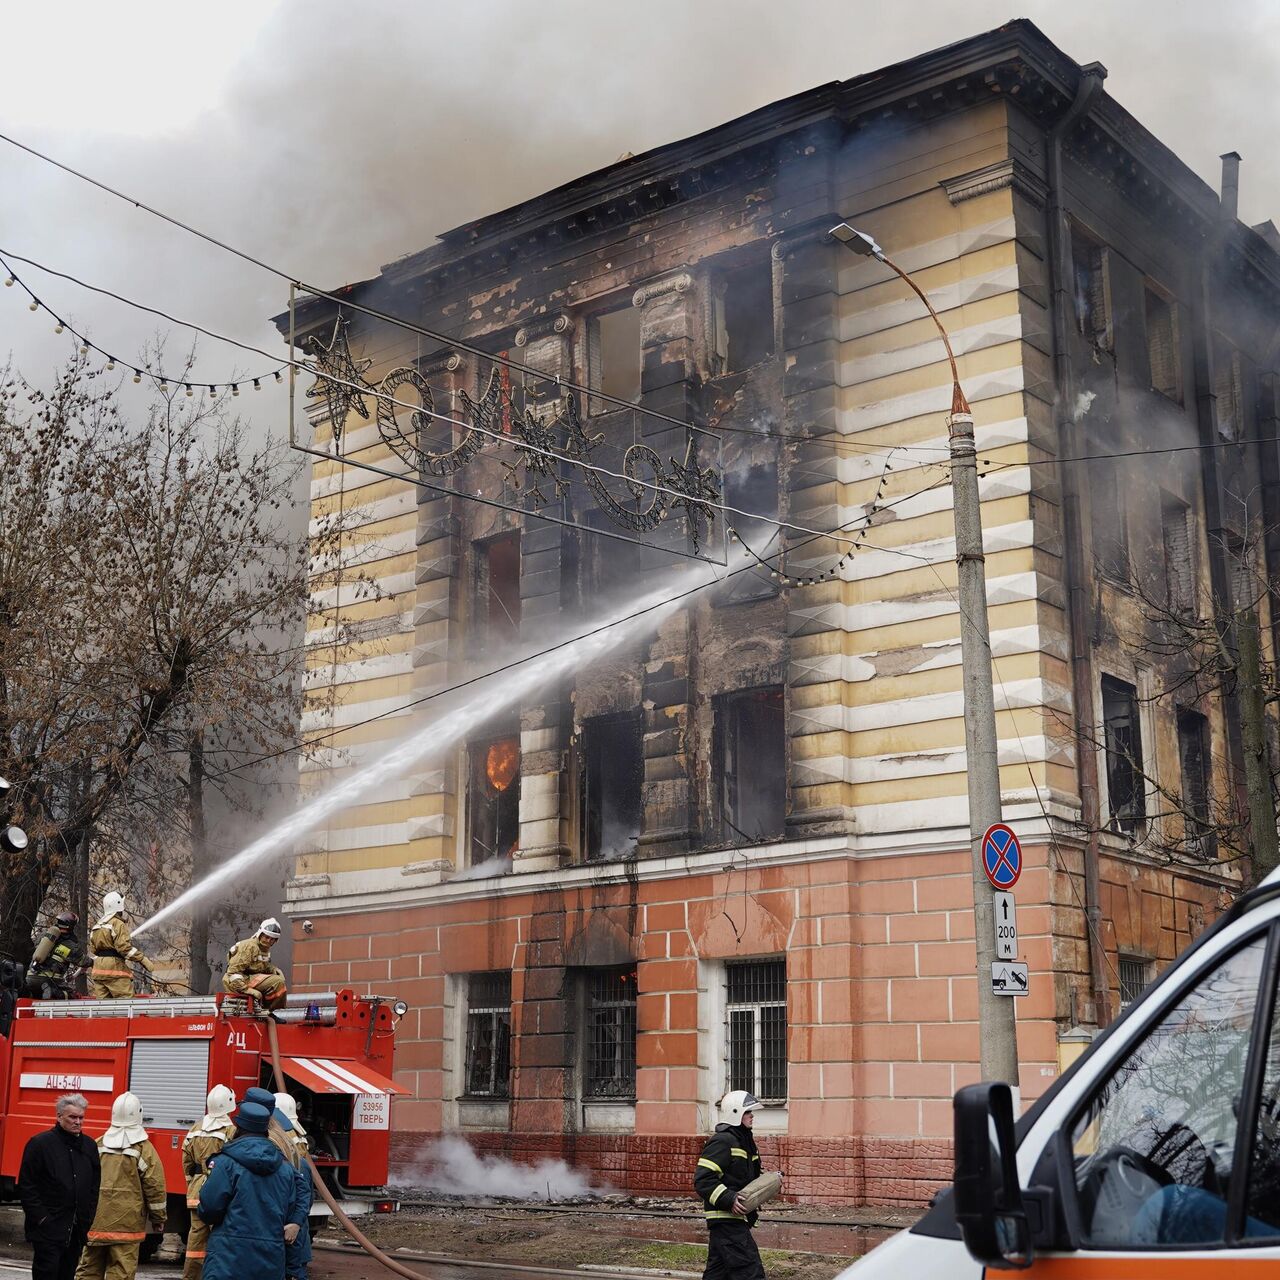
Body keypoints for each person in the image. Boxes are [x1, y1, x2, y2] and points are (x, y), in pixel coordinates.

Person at [197, 1101, 300, 1280]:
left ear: (238, 1128)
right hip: (270, 1258)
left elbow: (210, 1208)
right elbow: (291, 1209)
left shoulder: (225, 1163)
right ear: (266, 1130)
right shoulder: (285, 1168)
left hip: (227, 1257)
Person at [73, 1092, 166, 1280]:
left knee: (88, 1268)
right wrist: (158, 1218)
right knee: (121, 1272)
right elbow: (154, 1185)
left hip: (95, 1222)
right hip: (127, 1226)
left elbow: (81, 1180)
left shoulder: (97, 1144)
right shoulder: (143, 1149)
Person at [18, 1093, 100, 1280]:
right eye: (72, 1117)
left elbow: (94, 1185)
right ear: (59, 1116)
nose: (78, 1122)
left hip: (76, 1229)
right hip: (48, 1229)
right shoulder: (40, 1144)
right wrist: (42, 1219)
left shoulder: (89, 1146)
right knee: (46, 1274)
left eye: (81, 1117)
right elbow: (26, 1186)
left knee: (67, 1274)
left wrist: (88, 1216)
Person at [693, 1090, 769, 1280]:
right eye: (748, 1112)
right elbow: (703, 1179)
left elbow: (746, 1179)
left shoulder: (743, 1141)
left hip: (732, 1220)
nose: (752, 1116)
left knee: (719, 1274)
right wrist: (729, 1198)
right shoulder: (723, 1141)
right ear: (735, 1113)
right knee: (750, 1272)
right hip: (726, 1218)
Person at [242, 1088, 311, 1279]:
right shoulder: (292, 1147)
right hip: (289, 1233)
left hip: (276, 1234)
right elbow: (304, 1193)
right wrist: (297, 1222)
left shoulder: (265, 1147)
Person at [181, 1086, 235, 1280]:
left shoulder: (195, 1129)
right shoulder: (231, 1130)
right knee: (220, 1239)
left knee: (196, 1239)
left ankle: (191, 1276)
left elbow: (186, 1160)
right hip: (220, 1192)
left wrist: (192, 1183)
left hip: (197, 1192)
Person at [88, 893, 154, 999]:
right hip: (114, 969)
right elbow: (124, 948)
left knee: (102, 1008)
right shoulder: (117, 923)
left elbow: (93, 949)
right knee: (126, 1002)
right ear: (118, 906)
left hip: (98, 970)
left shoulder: (97, 925)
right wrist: (142, 959)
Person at [222, 919, 287, 1011]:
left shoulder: (263, 949)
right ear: (260, 934)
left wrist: (274, 969)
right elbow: (233, 973)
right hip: (237, 982)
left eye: (272, 939)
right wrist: (246, 990)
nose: (269, 941)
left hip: (247, 978)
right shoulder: (249, 946)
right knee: (277, 982)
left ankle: (266, 1012)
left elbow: (260, 966)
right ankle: (265, 1011)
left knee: (278, 980)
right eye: (266, 937)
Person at [27, 911, 86, 999]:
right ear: (71, 926)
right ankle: (54, 992)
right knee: (72, 996)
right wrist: (93, 961)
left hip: (31, 976)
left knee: (37, 997)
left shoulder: (45, 936)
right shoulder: (69, 943)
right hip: (50, 979)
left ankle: (29, 993)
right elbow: (83, 961)